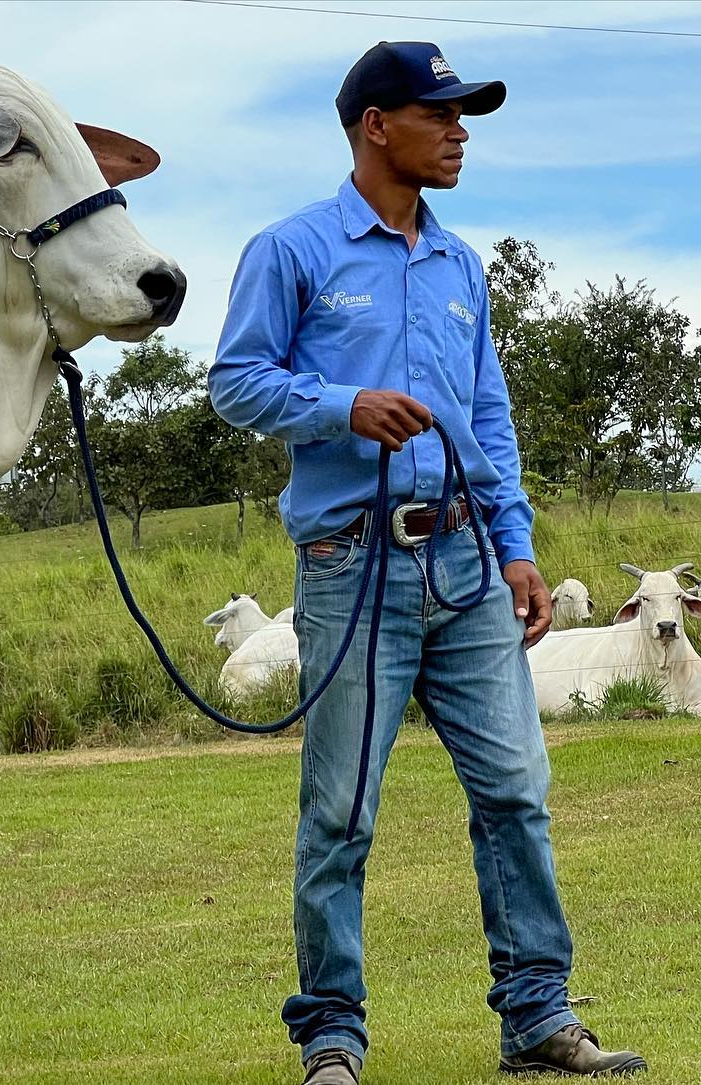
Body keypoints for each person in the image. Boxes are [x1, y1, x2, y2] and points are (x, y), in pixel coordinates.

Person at [209, 42, 646, 1085]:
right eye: (438, 112)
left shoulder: (460, 268)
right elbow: (233, 380)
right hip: (351, 565)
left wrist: (520, 545)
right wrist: (340, 406)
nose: (458, 131)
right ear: (374, 125)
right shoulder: (293, 249)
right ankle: (332, 1037)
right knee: (342, 810)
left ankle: (539, 1016)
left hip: (465, 564)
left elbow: (485, 414)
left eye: (463, 115)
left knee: (515, 791)